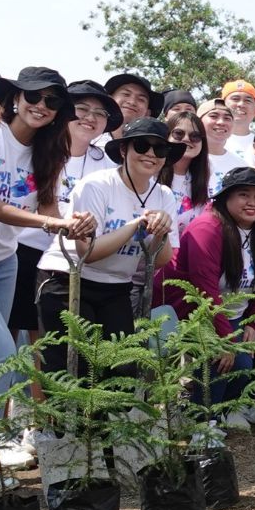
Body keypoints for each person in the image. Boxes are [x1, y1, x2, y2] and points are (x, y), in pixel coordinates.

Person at [0, 66, 85, 496]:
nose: (41, 106)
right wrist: (51, 223)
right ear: (15, 98)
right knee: (1, 353)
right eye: (34, 97)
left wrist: (75, 223)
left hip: (2, 260)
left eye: (52, 101)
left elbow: (50, 209)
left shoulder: (48, 149)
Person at [1, 81, 119, 471]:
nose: (89, 118)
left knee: (47, 346)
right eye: (81, 109)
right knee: (5, 344)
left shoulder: (107, 163)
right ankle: (3, 428)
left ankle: (43, 424)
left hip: (78, 260)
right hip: (25, 249)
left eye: (99, 113)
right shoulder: (43, 149)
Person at [35, 116, 178, 374]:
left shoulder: (164, 195)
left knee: (120, 371)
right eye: (142, 146)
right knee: (69, 372)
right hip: (68, 280)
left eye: (160, 149)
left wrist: (161, 231)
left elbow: (159, 260)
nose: (151, 154)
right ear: (124, 150)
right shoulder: (97, 185)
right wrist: (135, 225)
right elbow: (87, 253)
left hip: (116, 286)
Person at [162, 166, 255, 433]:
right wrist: (225, 340)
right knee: (221, 359)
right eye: (243, 195)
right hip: (193, 311)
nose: (253, 202)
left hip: (235, 312)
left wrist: (254, 322)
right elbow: (204, 289)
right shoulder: (208, 227)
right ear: (225, 198)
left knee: (244, 362)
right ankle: (202, 419)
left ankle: (228, 408)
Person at [159, 111, 212, 224]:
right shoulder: (151, 174)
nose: (187, 139)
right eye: (179, 133)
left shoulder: (206, 180)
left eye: (195, 136)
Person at [198, 98, 248, 190]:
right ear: (199, 121)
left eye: (227, 118)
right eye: (213, 116)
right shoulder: (188, 159)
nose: (221, 122)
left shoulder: (242, 167)